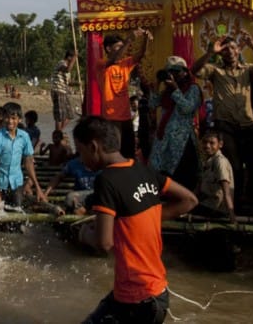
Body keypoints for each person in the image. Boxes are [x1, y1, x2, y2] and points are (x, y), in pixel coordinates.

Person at [74, 116, 197, 324]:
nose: (80, 158)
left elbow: (104, 244)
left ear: (93, 147)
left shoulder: (106, 180)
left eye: (80, 151)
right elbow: (189, 200)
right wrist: (146, 220)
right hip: (154, 294)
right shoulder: (142, 169)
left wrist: (85, 234)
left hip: (137, 301)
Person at [192, 34, 253, 208]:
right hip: (225, 124)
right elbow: (195, 70)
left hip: (247, 124)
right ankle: (233, 202)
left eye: (233, 48)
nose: (230, 52)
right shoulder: (215, 70)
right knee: (233, 164)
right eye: (225, 49)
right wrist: (210, 52)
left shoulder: (248, 69)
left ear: (239, 50)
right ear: (221, 54)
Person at [97, 29, 152, 160]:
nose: (122, 50)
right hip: (111, 116)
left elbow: (140, 54)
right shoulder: (101, 64)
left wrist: (145, 39)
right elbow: (114, 58)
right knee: (114, 152)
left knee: (129, 152)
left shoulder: (125, 63)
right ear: (109, 49)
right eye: (118, 47)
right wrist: (129, 40)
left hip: (126, 116)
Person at [147, 56, 201, 191]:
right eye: (170, 72)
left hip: (182, 139)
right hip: (164, 138)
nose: (174, 75)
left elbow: (188, 109)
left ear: (185, 72)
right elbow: (153, 104)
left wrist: (176, 90)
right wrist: (157, 85)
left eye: (177, 71)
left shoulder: (192, 88)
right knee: (161, 170)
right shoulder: (167, 91)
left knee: (182, 171)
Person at [0, 103, 45, 209]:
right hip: (0, 183)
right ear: (3, 118)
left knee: (17, 213)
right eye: (7, 118)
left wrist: (37, 188)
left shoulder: (24, 137)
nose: (10, 121)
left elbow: (28, 163)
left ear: (19, 120)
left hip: (17, 182)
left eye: (13, 118)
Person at [193, 129, 236, 221]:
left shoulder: (220, 162)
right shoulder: (207, 161)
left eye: (212, 143)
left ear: (220, 144)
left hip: (215, 209)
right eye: (205, 142)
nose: (207, 146)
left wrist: (231, 215)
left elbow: (226, 192)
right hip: (206, 204)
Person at [51, 50, 81, 132]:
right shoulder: (61, 63)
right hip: (58, 90)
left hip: (64, 91)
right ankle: (58, 134)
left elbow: (68, 82)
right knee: (59, 116)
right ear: (69, 57)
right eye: (72, 58)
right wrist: (75, 57)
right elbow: (67, 69)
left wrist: (78, 83)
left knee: (70, 115)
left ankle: (59, 132)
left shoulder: (67, 69)